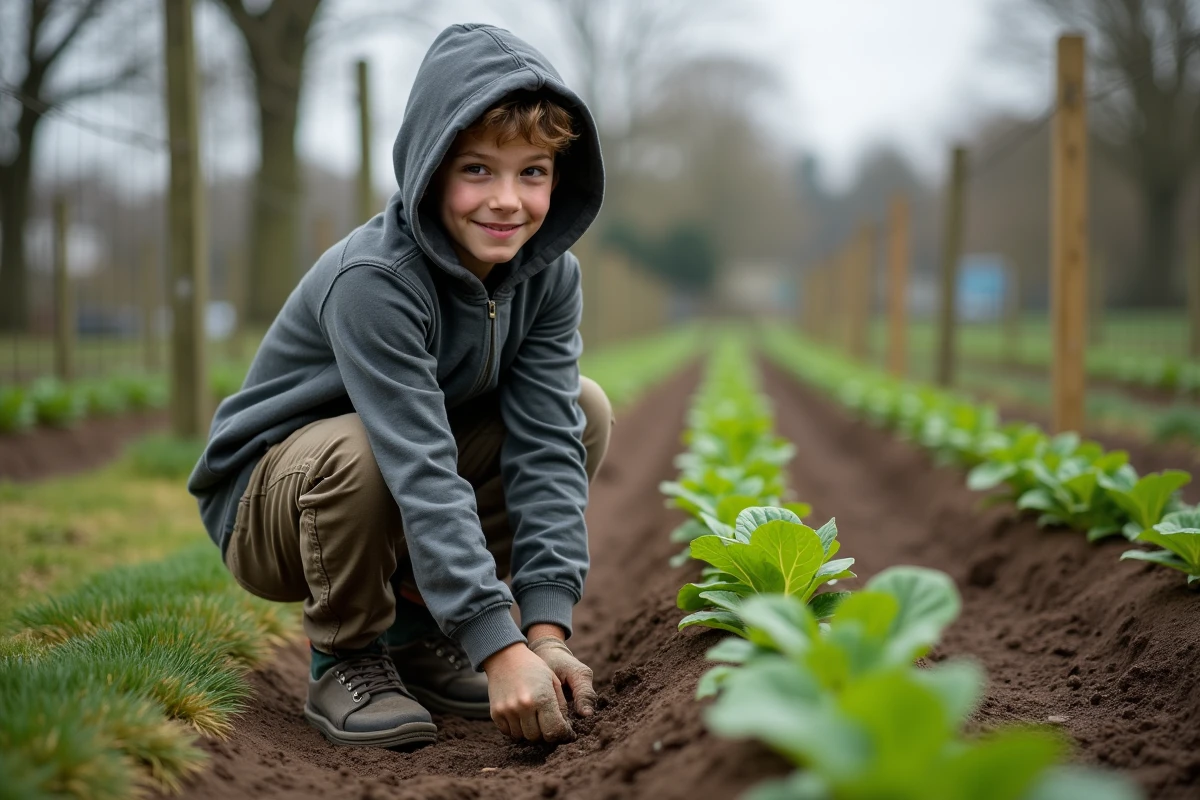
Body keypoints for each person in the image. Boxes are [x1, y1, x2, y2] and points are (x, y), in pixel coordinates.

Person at [187, 23, 610, 750]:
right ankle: (345, 657)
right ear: (431, 168)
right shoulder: (375, 281)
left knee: (582, 410)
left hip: (389, 480)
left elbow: (544, 450)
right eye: (478, 170)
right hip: (272, 507)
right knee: (364, 447)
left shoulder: (548, 278)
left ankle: (416, 635)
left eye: (532, 172)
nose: (508, 201)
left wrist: (541, 635)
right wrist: (494, 642)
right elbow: (417, 463)